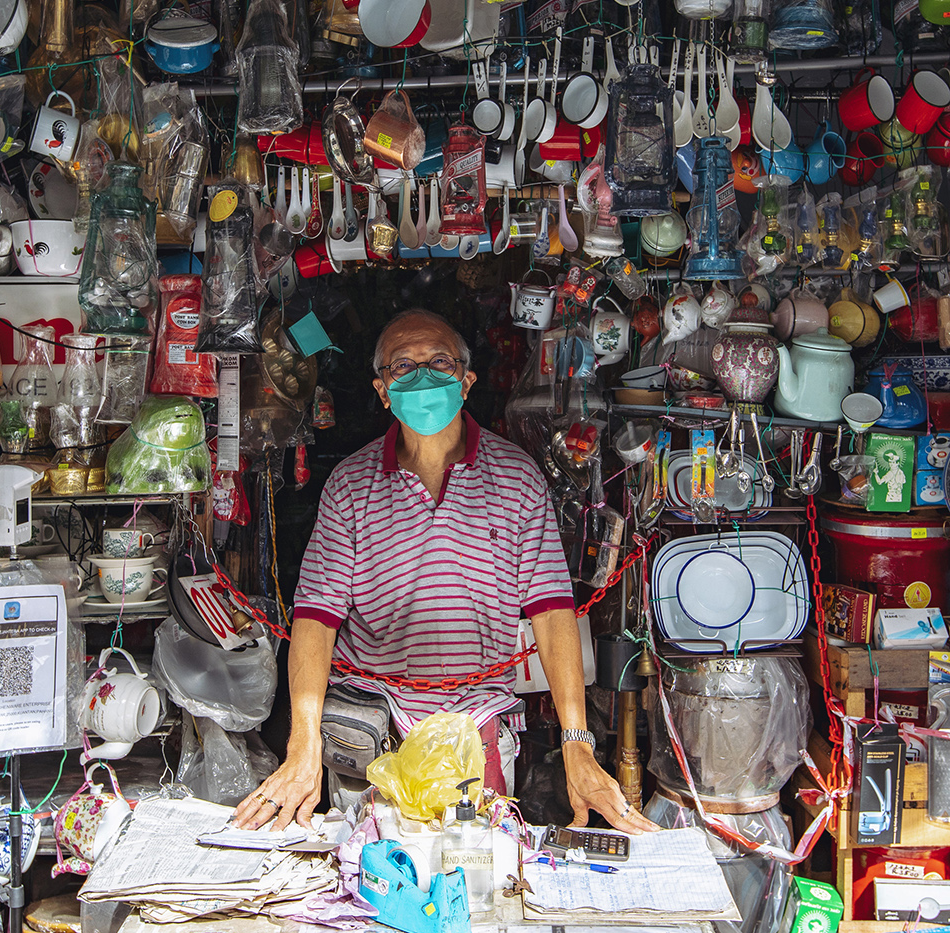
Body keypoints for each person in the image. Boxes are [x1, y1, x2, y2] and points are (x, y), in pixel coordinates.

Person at [235, 308, 658, 837]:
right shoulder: (349, 486)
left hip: (476, 726)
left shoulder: (518, 479)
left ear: (466, 380)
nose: (423, 376)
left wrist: (577, 745)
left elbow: (553, 614)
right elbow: (316, 621)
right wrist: (303, 746)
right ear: (382, 391)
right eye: (403, 367)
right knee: (371, 879)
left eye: (439, 362)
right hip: (375, 722)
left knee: (475, 872)